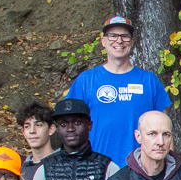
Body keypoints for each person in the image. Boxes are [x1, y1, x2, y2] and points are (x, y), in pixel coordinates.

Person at [65, 15, 172, 161]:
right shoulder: (86, 81)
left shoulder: (148, 80)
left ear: (132, 42)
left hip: (142, 169)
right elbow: (70, 127)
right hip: (97, 168)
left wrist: (170, 167)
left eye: (125, 36)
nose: (119, 40)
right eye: (112, 36)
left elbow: (164, 128)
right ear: (103, 41)